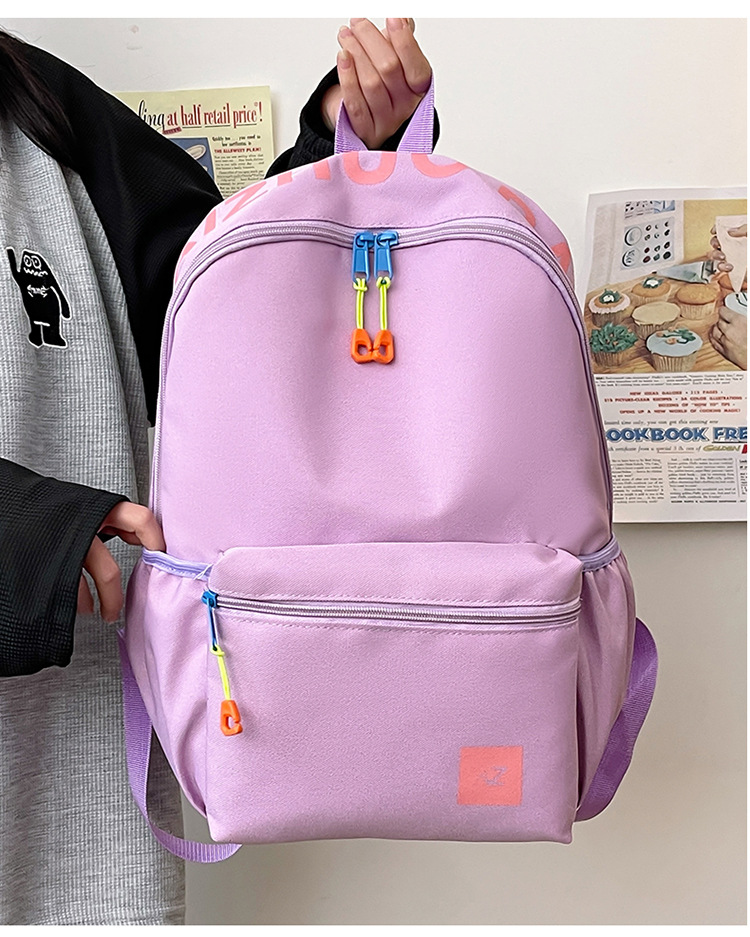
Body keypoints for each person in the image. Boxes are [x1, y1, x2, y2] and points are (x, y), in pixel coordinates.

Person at [0, 19, 436, 925]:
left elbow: (216, 302)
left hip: (71, 795)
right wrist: (28, 529)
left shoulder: (39, 109)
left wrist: (337, 149)